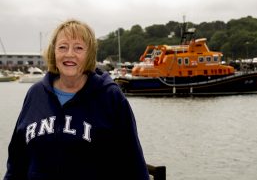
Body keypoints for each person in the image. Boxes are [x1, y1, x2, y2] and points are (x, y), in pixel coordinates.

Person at [3, 19, 150, 180]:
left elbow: (133, 164)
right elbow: (17, 160)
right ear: (54, 53)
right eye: (62, 47)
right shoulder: (35, 94)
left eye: (78, 48)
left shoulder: (110, 97)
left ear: (89, 55)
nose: (69, 54)